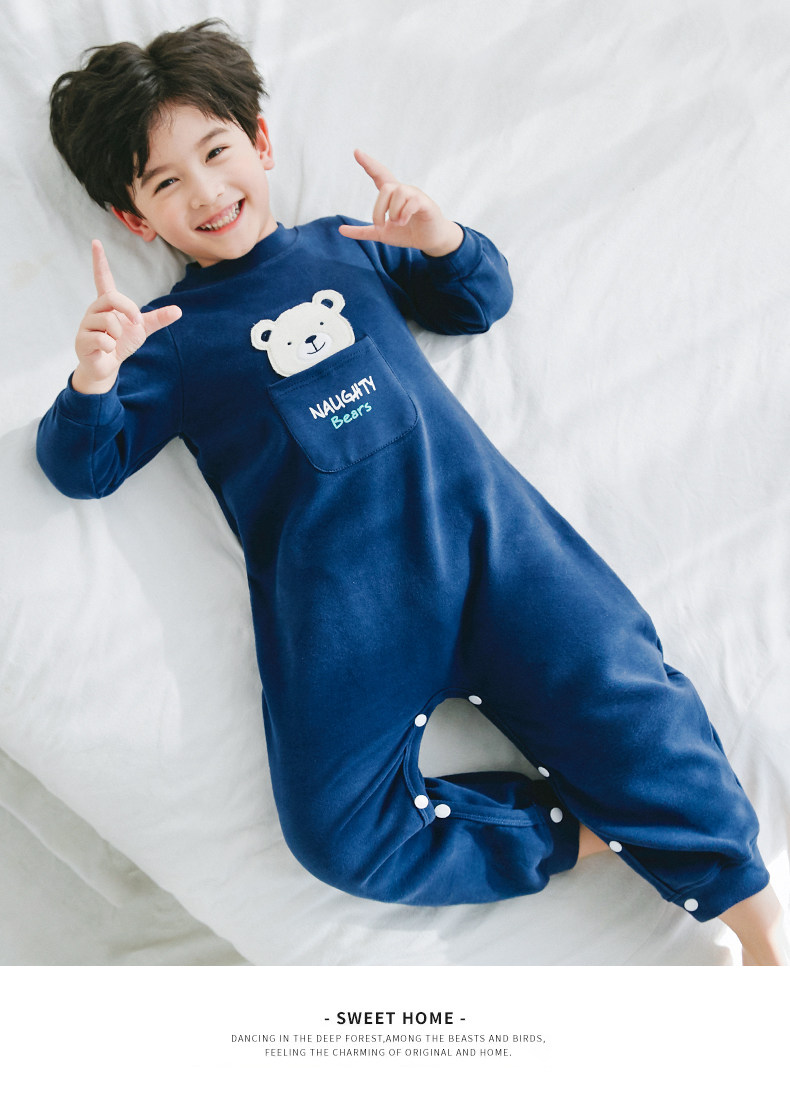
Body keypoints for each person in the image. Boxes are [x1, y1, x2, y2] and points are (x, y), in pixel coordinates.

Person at [37, 19, 786, 965]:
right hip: (344, 618)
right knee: (339, 833)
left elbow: (476, 302)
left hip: (491, 549)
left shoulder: (346, 248)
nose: (207, 192)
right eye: (166, 183)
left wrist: (442, 239)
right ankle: (585, 835)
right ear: (138, 221)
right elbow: (83, 467)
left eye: (217, 152)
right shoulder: (169, 335)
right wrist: (95, 378)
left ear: (261, 142)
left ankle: (760, 933)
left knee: (631, 701)